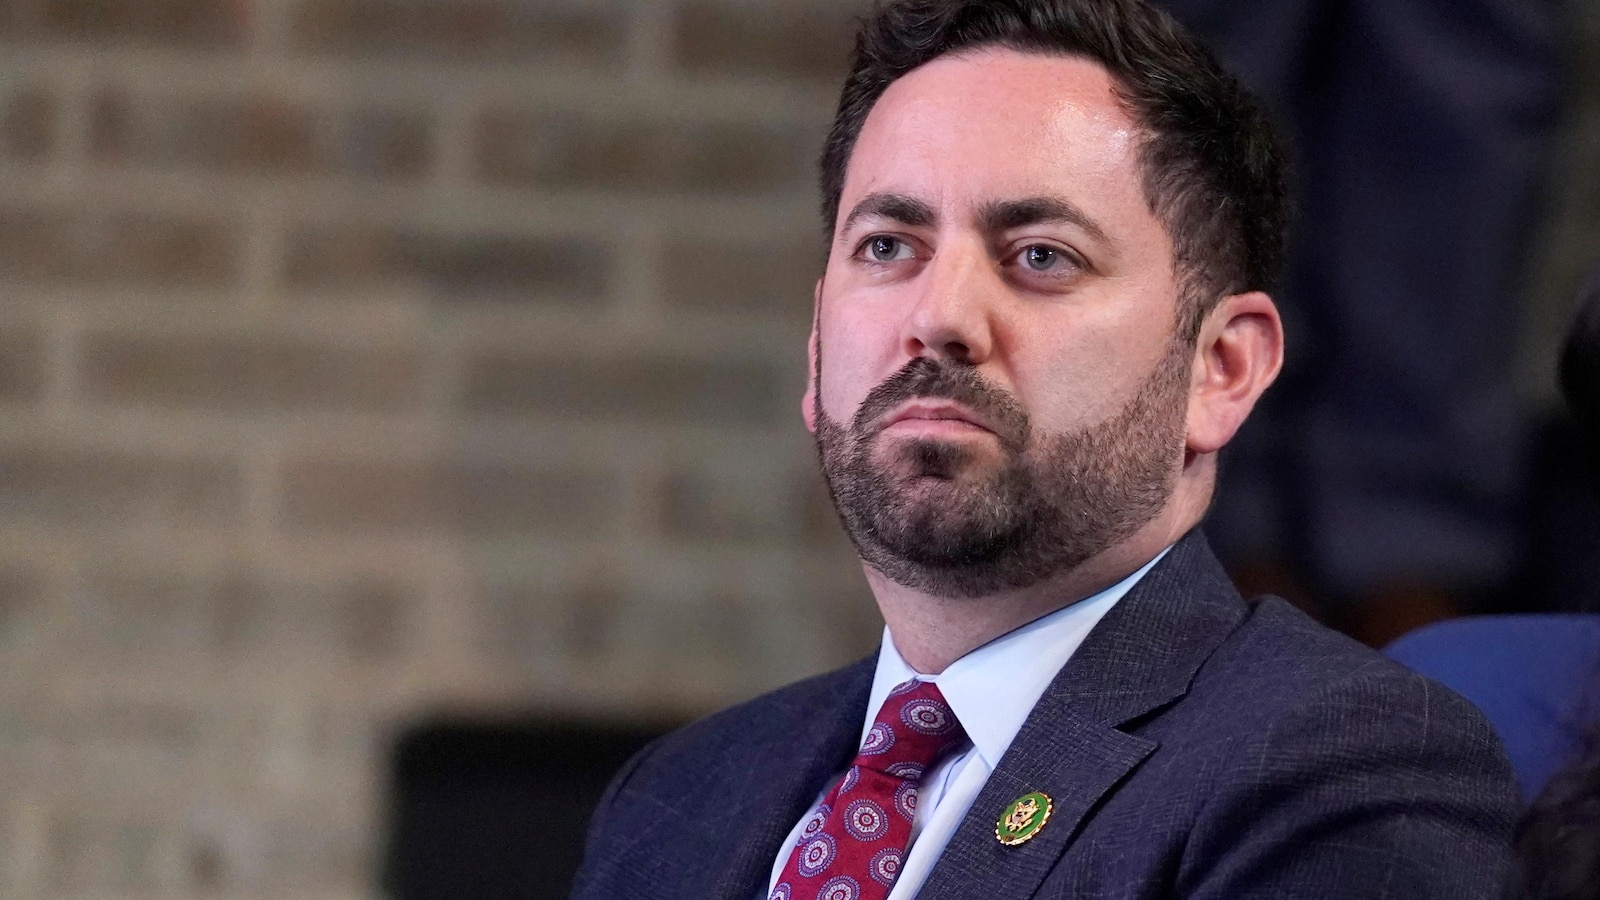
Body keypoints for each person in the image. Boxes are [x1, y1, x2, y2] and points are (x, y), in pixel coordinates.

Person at [570, 1, 1518, 897]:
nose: (939, 318)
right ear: (818, 352)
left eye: (1041, 257)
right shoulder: (676, 795)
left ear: (1221, 369)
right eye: (889, 246)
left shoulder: (1344, 767)